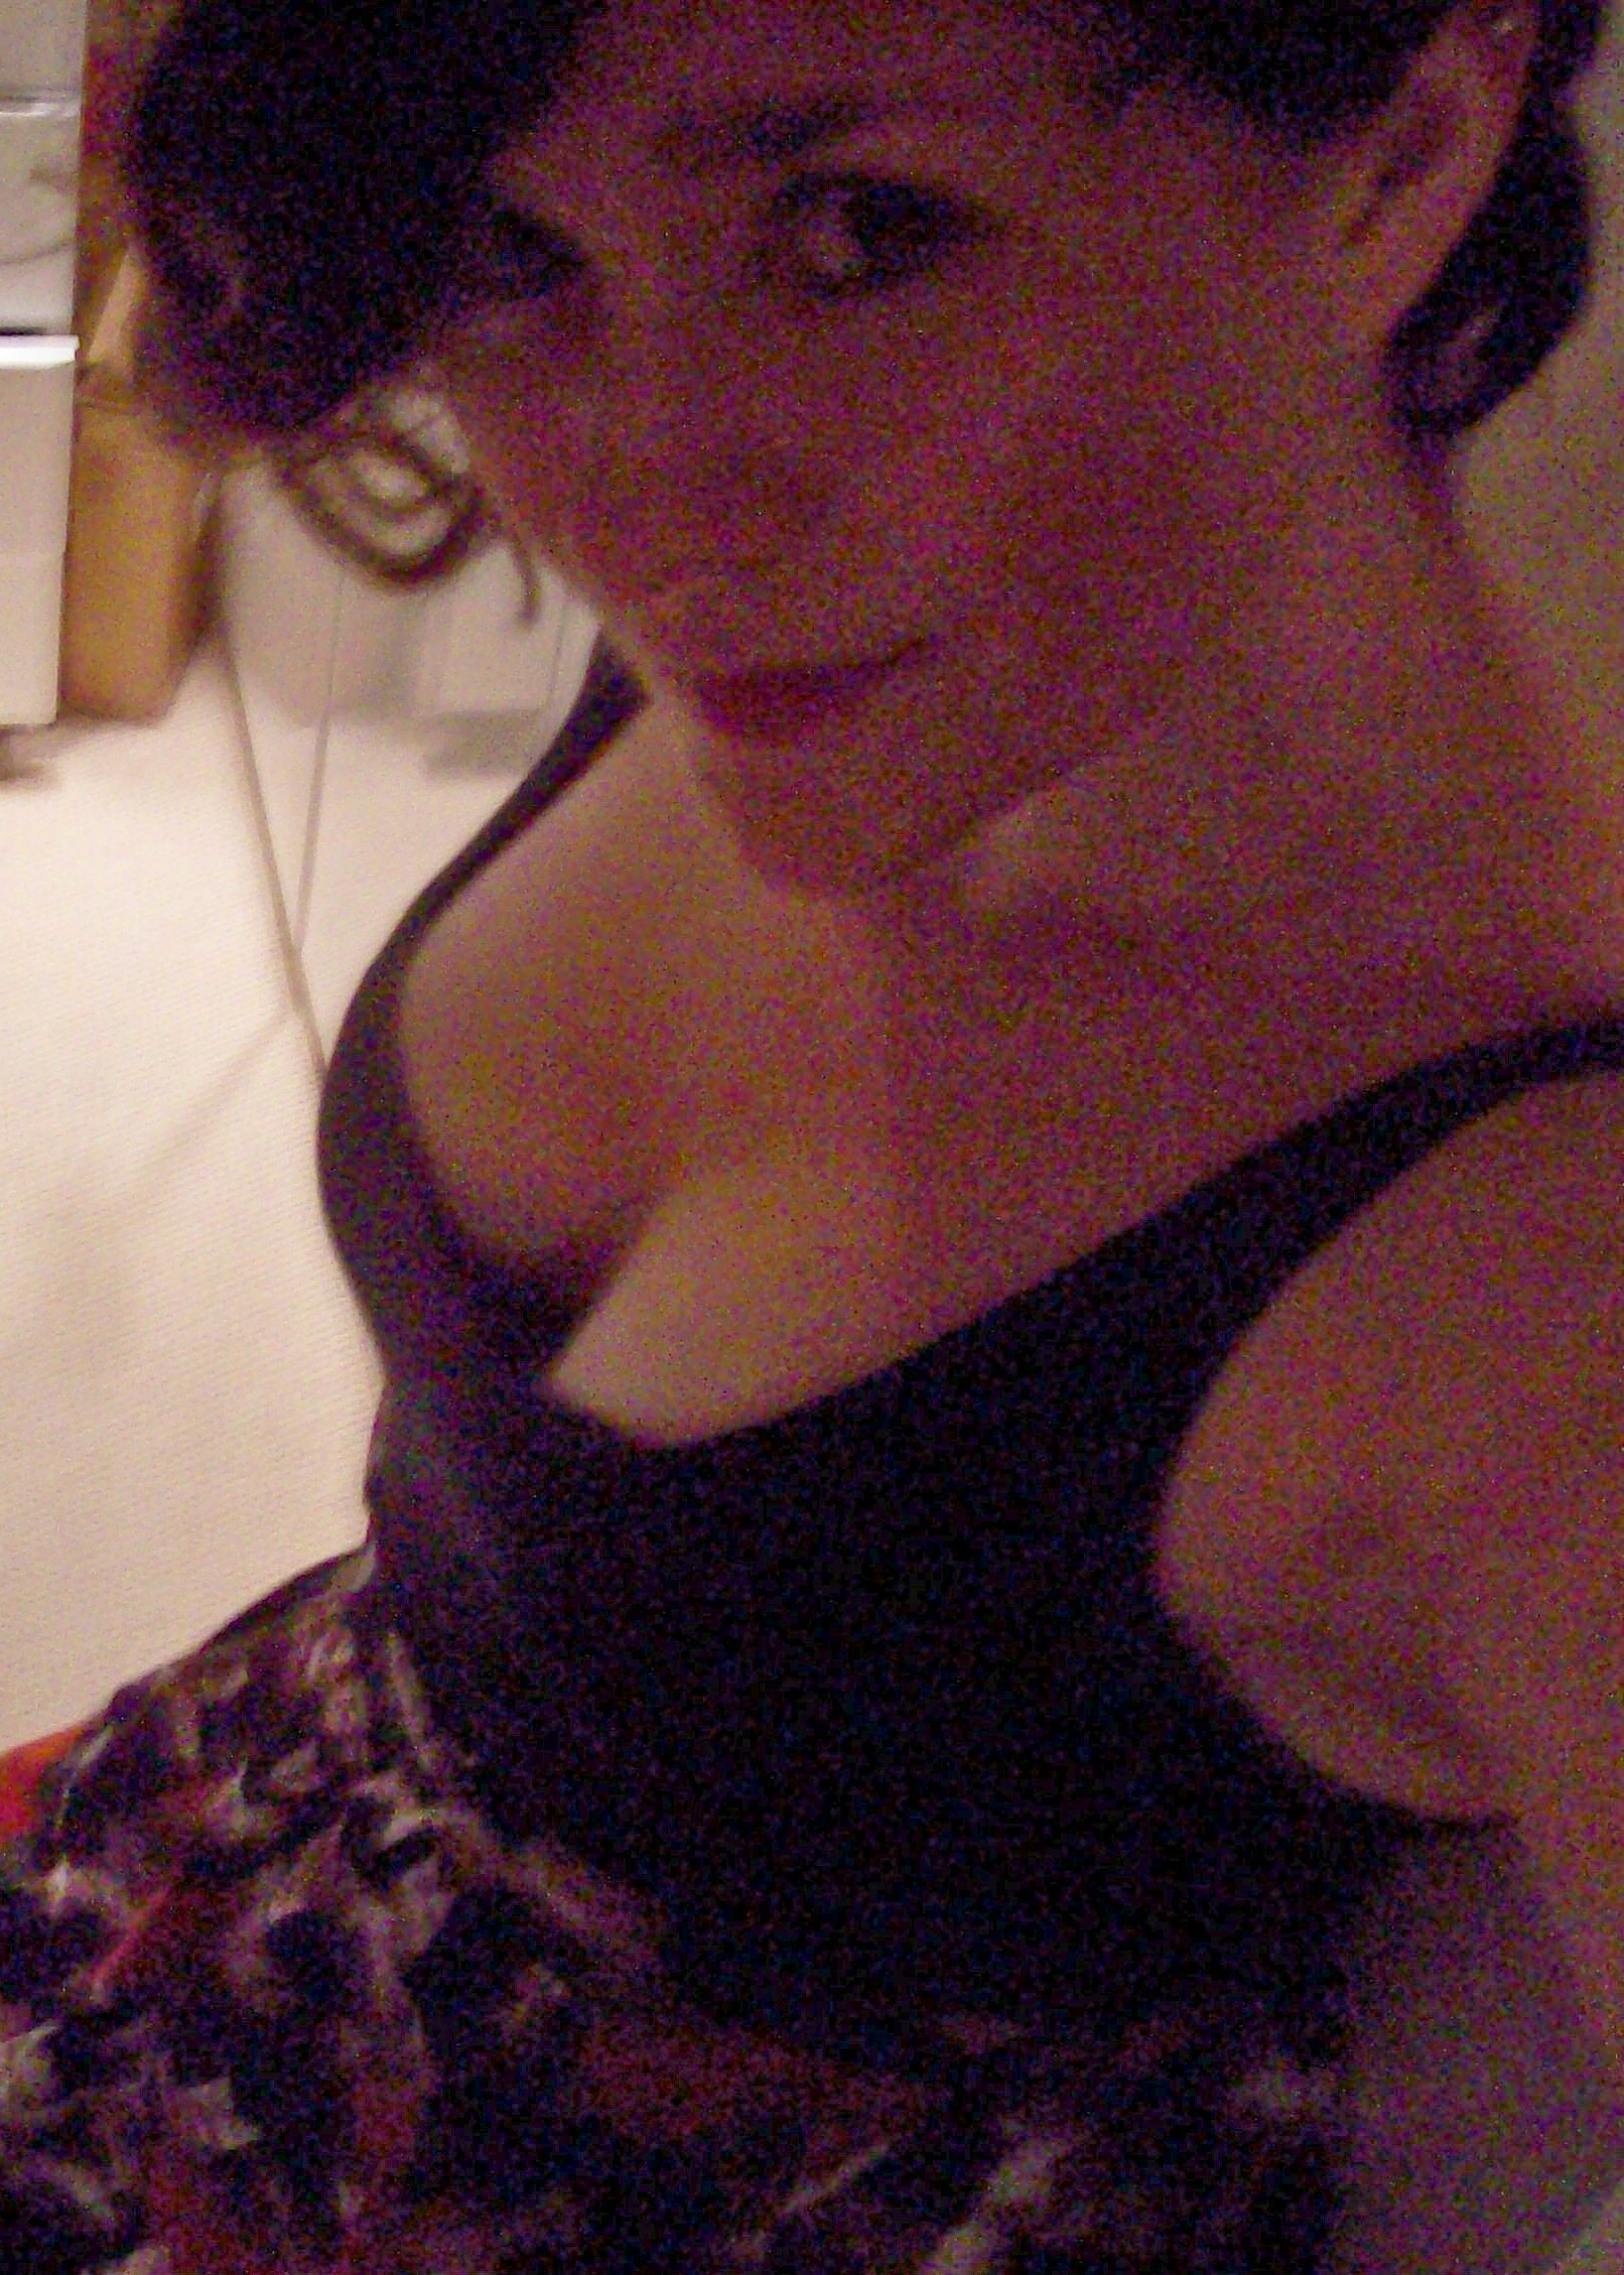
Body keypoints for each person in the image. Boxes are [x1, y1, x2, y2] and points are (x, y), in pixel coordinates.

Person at [3, 0, 1624, 2267]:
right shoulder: (858, 653)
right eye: (509, 247)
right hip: (187, 1890)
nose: (624, 505)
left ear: (1405, 148)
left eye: (862, 228)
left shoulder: (1542, 1287)